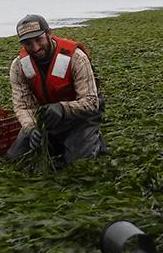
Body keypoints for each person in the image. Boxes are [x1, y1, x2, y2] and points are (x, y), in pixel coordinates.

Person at [6, 14, 106, 164]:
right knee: (15, 157)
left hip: (80, 118)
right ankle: (58, 142)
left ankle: (94, 140)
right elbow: (22, 105)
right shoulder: (19, 65)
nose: (35, 48)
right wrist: (31, 128)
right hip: (47, 119)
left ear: (48, 33)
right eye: (28, 43)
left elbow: (91, 103)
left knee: (76, 161)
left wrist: (62, 108)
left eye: (39, 39)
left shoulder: (76, 58)